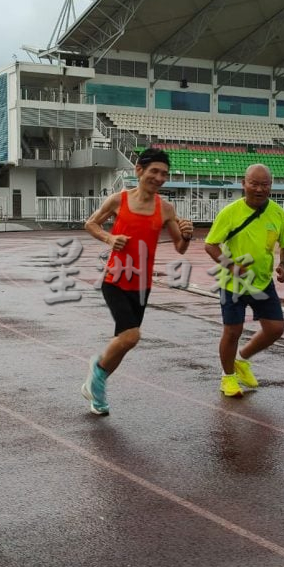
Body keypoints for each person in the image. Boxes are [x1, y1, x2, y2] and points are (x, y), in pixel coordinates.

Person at [82, 148, 194, 415]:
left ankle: (96, 389)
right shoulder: (118, 200)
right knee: (130, 336)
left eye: (164, 174)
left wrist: (188, 235)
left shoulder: (166, 209)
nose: (159, 178)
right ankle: (96, 371)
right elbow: (91, 224)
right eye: (154, 171)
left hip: (142, 286)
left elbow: (180, 247)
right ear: (139, 170)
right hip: (115, 279)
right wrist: (110, 238)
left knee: (122, 344)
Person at [204, 163, 284, 397]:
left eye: (265, 185)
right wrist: (231, 265)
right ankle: (228, 378)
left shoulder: (278, 213)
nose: (259, 189)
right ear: (244, 184)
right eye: (254, 184)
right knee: (233, 331)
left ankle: (241, 360)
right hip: (233, 283)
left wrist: (283, 265)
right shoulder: (230, 213)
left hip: (262, 281)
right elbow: (210, 244)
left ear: (271, 186)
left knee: (275, 329)